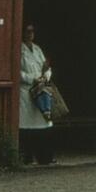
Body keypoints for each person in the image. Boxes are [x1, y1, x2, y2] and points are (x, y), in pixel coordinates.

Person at [19, 23, 55, 165]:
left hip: (41, 90)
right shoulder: (18, 49)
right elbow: (17, 71)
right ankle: (26, 157)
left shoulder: (37, 49)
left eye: (32, 31)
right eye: (27, 31)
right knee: (26, 125)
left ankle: (45, 157)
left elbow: (46, 67)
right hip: (26, 91)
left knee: (45, 123)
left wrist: (45, 77)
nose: (30, 33)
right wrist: (31, 78)